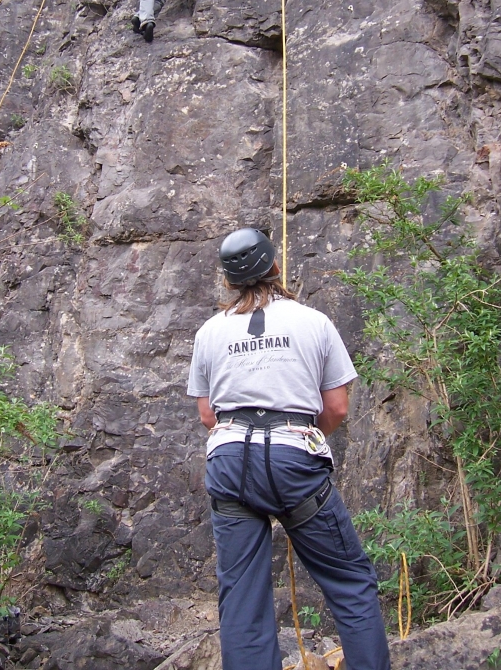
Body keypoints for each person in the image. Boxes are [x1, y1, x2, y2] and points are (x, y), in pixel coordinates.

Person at [187, 228, 391, 670]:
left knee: (241, 597)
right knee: (349, 581)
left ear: (228, 281)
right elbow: (335, 407)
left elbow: (209, 416)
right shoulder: (312, 321)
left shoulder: (208, 333)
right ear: (275, 267)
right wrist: (297, 444)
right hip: (293, 458)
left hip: (228, 462)